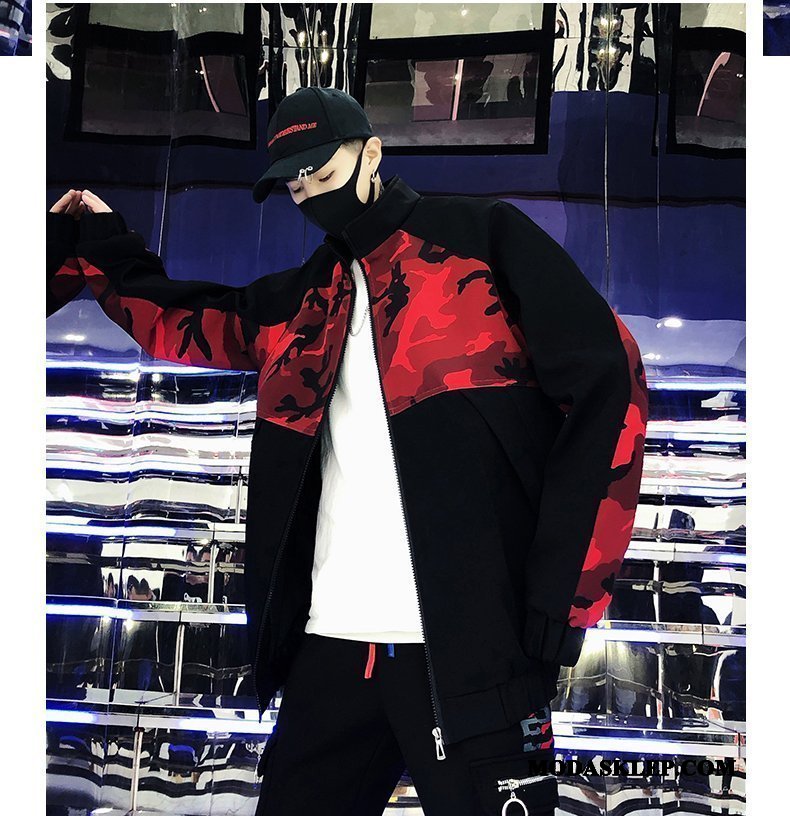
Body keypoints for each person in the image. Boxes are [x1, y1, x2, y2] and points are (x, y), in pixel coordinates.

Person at [47, 85, 648, 815]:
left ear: (372, 154)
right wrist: (102, 241)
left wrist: (565, 597)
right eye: (294, 184)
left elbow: (609, 389)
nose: (309, 193)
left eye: (323, 173)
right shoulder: (306, 302)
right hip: (331, 644)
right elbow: (183, 321)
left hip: (473, 651)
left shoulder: (480, 241)